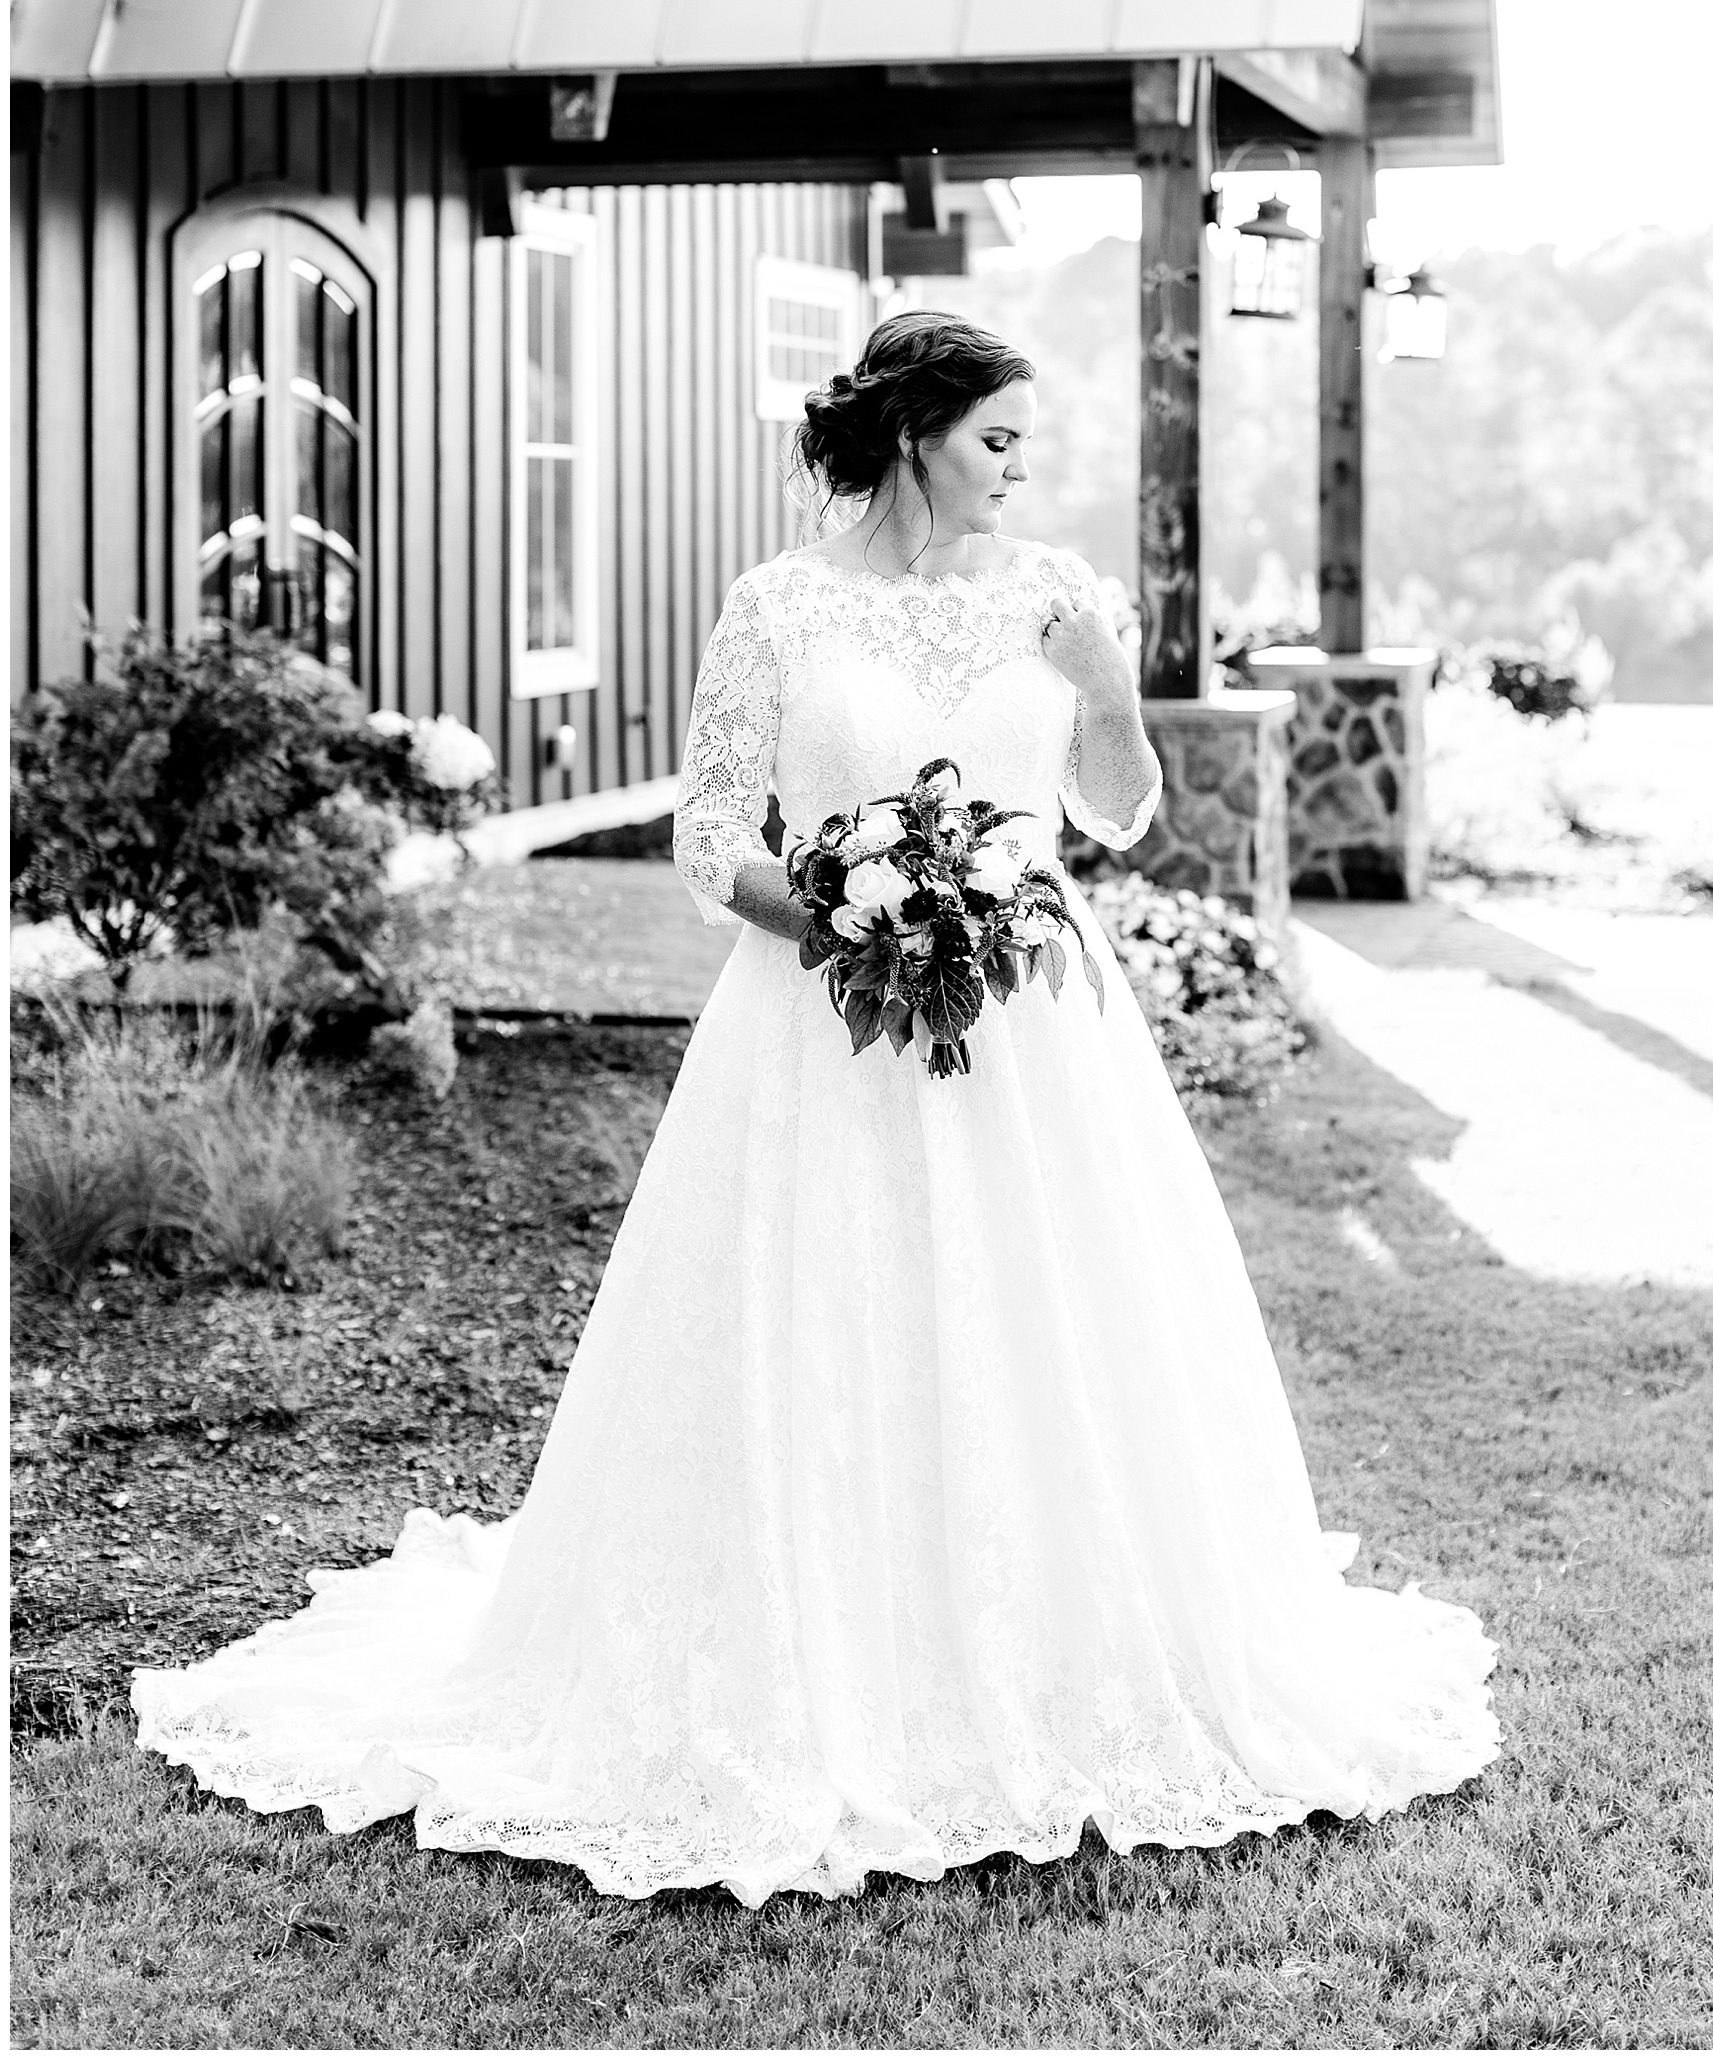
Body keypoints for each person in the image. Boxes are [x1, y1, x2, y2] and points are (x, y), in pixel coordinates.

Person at [132, 309, 1499, 1907]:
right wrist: (856, 918)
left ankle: (1062, 1648)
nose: (1019, 467)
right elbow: (710, 838)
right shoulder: (774, 604)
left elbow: (1116, 817)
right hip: (819, 1031)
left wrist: (1108, 684)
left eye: (1026, 444)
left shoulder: (1058, 596)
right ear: (916, 434)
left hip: (1036, 1042)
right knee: (823, 1321)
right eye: (997, 438)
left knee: (1043, 1325)